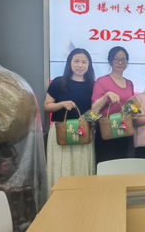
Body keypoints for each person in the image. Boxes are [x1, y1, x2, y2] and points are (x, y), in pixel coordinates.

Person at [44, 48, 96, 189]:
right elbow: (46, 107)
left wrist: (92, 127)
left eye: (84, 62)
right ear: (69, 63)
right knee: (61, 168)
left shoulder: (93, 85)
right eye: (76, 61)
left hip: (83, 132)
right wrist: (61, 104)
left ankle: (82, 199)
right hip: (61, 132)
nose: (80, 65)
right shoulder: (58, 82)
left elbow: (94, 111)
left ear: (89, 64)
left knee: (81, 167)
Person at [91, 46, 134, 164]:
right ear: (110, 62)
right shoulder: (101, 81)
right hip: (106, 130)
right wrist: (106, 96)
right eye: (117, 59)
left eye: (123, 59)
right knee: (106, 164)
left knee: (122, 165)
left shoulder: (129, 83)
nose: (120, 62)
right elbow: (94, 108)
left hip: (124, 130)